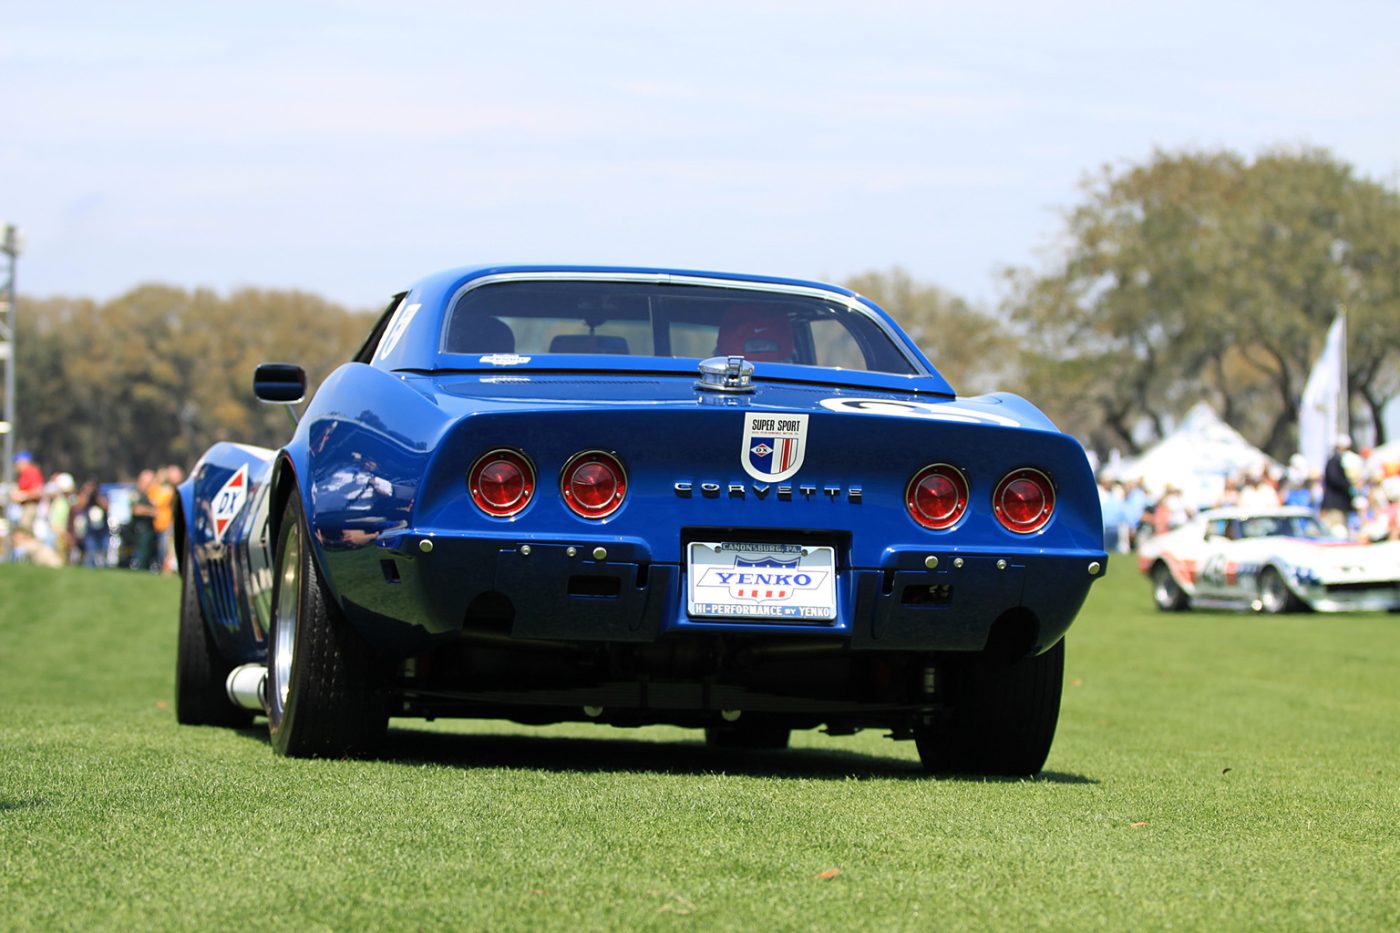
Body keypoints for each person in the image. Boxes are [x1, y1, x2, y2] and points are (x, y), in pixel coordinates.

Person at [1320, 436, 1354, 537]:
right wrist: (1348, 484)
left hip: (1341, 504)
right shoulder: (1334, 461)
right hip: (1335, 504)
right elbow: (1334, 479)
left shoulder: (1338, 460)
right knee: (1337, 531)